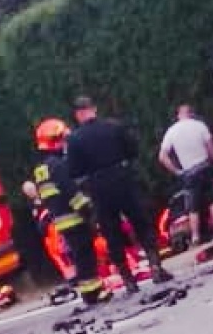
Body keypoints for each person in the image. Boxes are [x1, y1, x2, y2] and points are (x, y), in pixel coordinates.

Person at [65, 96, 170, 285]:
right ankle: (155, 265)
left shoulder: (74, 139)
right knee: (140, 222)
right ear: (94, 109)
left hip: (98, 185)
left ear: (77, 115)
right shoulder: (114, 127)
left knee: (111, 231)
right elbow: (133, 150)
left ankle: (128, 278)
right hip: (122, 177)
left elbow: (74, 170)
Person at [30, 118, 117, 303]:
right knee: (86, 256)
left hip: (60, 219)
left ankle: (89, 292)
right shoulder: (58, 165)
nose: (65, 144)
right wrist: (87, 210)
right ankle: (93, 292)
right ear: (54, 141)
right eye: (62, 139)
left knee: (80, 256)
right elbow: (70, 191)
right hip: (73, 217)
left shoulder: (41, 169)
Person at [156, 104, 213, 251]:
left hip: (189, 172)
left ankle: (196, 236)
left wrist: (177, 171)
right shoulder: (199, 126)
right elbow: (210, 146)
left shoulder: (172, 132)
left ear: (179, 115)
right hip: (204, 166)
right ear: (191, 113)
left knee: (193, 207)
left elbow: (162, 156)